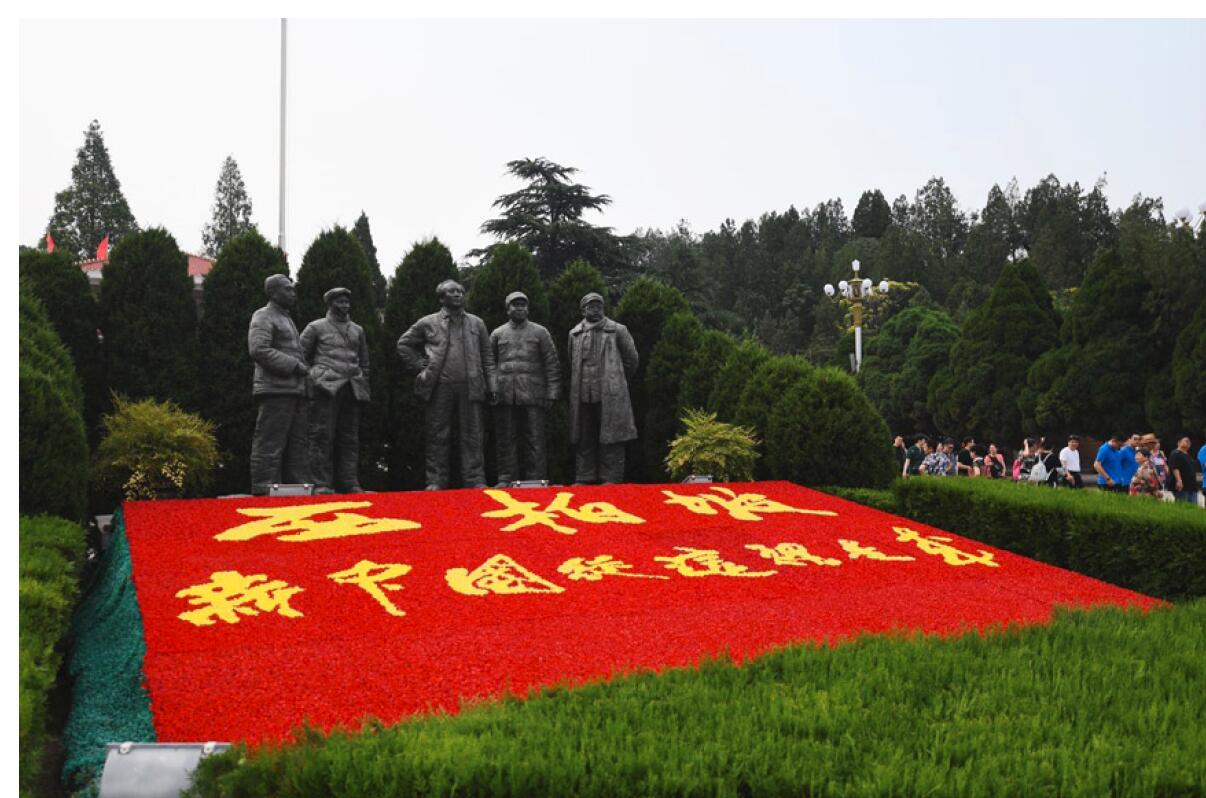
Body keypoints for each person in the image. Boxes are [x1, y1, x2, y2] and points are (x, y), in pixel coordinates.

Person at [396, 279, 499, 490]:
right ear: (442, 298)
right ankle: (435, 480)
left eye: (460, 291)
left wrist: (492, 384)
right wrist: (419, 364)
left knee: (473, 434)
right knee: (437, 434)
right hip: (439, 386)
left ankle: (475, 479)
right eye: (452, 291)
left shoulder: (477, 323)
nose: (458, 294)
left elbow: (487, 357)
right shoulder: (428, 322)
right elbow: (404, 344)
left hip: (471, 385)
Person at [300, 287, 370, 494]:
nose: (345, 305)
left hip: (352, 388)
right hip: (326, 388)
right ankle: (320, 483)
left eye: (347, 302)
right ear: (330, 304)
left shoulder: (357, 330)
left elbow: (364, 361)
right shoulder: (316, 327)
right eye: (340, 302)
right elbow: (300, 356)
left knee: (350, 437)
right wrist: (315, 377)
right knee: (321, 435)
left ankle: (350, 482)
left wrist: (363, 380)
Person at [247, 274, 312, 495]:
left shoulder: (286, 318)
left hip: (295, 390)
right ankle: (263, 487)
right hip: (275, 389)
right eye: (287, 289)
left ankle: (299, 489)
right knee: (270, 441)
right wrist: (294, 365)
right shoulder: (263, 316)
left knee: (297, 443)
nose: (293, 293)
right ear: (273, 293)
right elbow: (259, 349)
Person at [490, 291, 561, 485]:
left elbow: (551, 363)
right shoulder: (497, 333)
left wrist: (552, 391)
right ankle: (506, 478)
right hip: (505, 393)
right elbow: (489, 364)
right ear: (508, 309)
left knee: (535, 438)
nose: (520, 308)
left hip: (534, 393)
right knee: (506, 438)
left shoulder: (540, 332)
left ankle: (536, 478)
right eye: (515, 305)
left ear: (528, 309)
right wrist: (491, 389)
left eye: (523, 305)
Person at [568, 292, 639, 484]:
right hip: (583, 393)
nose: (595, 309)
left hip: (610, 392)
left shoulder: (618, 330)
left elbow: (631, 360)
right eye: (591, 306)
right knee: (584, 435)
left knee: (612, 436)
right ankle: (585, 476)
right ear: (583, 310)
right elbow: (572, 360)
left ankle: (611, 477)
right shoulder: (574, 334)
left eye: (598, 306)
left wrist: (617, 379)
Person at [1168, 436, 1199, 504]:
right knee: (1183, 505)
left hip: (1191, 486)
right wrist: (1179, 481)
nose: (1188, 443)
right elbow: (1175, 468)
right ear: (1179, 442)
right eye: (1186, 441)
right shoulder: (1176, 453)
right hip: (1183, 486)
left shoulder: (1187, 455)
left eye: (1189, 442)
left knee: (1193, 507)